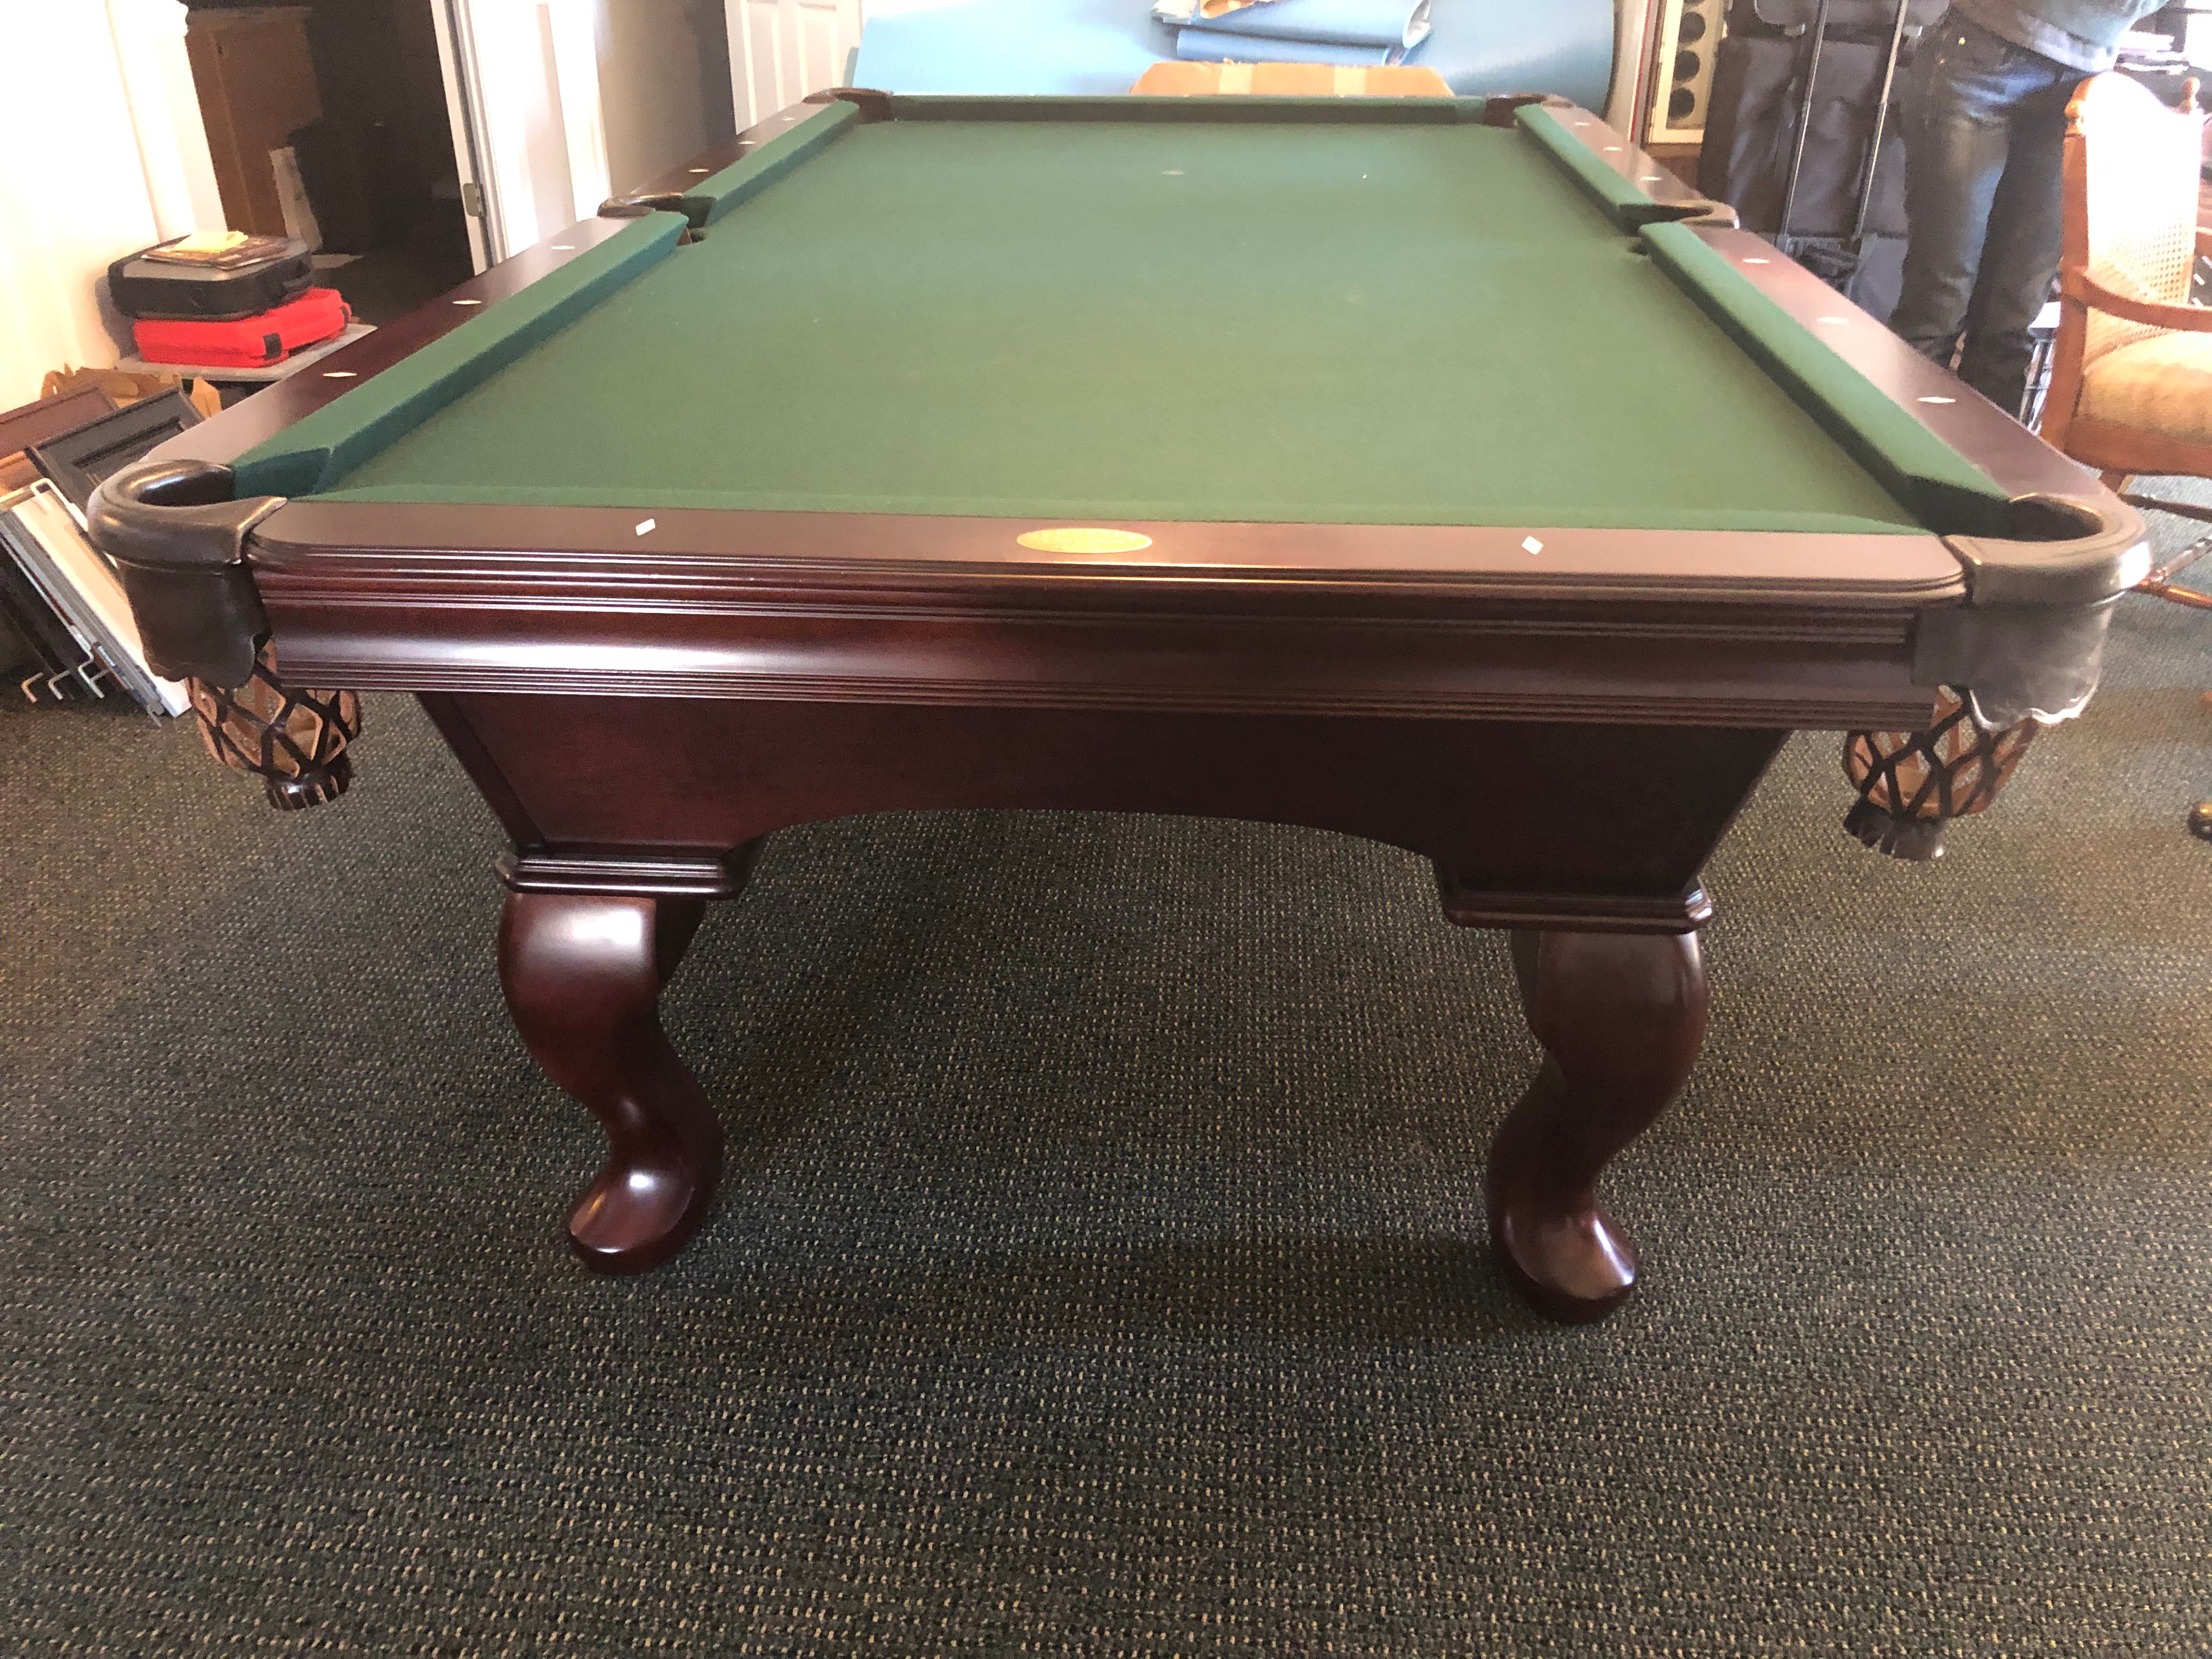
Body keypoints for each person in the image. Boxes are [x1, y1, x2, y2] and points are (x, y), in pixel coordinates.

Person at [1892, 0, 2169, 416]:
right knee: (1938, 305)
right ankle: (1890, 449)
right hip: (1979, 57)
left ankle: (1984, 460)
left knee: (2010, 323)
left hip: (2079, 88)